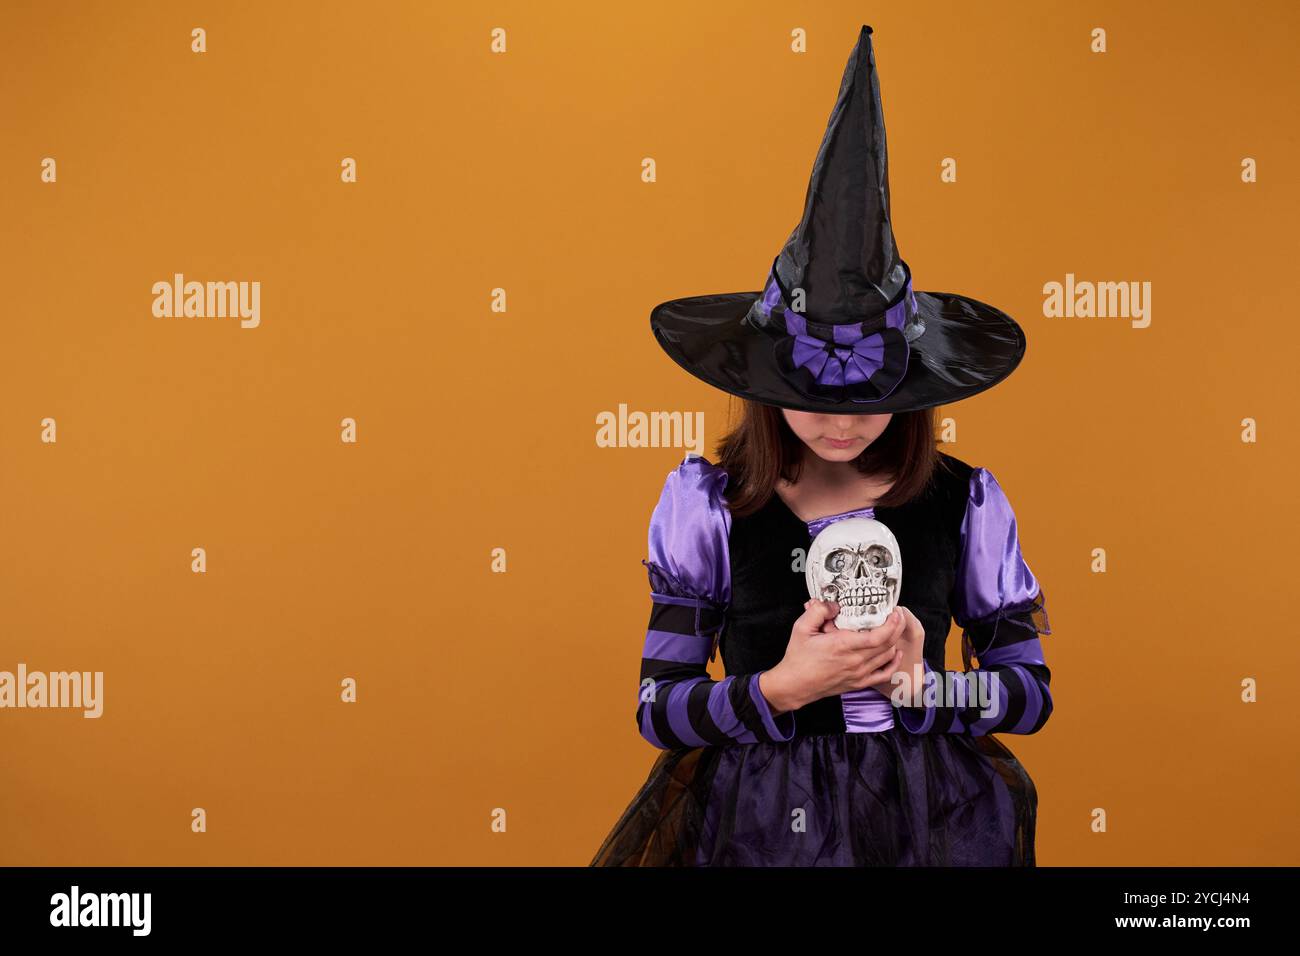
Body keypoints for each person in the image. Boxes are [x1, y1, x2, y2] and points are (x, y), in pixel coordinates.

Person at [590, 24, 1053, 867]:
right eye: (810, 402)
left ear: (912, 394)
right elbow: (659, 708)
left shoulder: (963, 502)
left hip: (930, 821)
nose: (842, 425)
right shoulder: (711, 506)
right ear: (766, 387)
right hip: (761, 827)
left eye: (873, 406)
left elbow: (1028, 697)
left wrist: (928, 687)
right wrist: (781, 688)